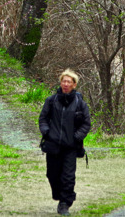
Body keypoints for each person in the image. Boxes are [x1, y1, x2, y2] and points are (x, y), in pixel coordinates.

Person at [38, 69, 91, 216]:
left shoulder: (80, 103)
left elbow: (86, 124)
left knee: (68, 176)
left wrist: (76, 137)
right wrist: (47, 132)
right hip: (53, 145)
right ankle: (59, 196)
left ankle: (65, 204)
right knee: (52, 174)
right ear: (60, 82)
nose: (65, 84)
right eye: (63, 81)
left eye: (69, 82)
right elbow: (43, 119)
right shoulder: (51, 100)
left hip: (70, 147)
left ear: (74, 85)